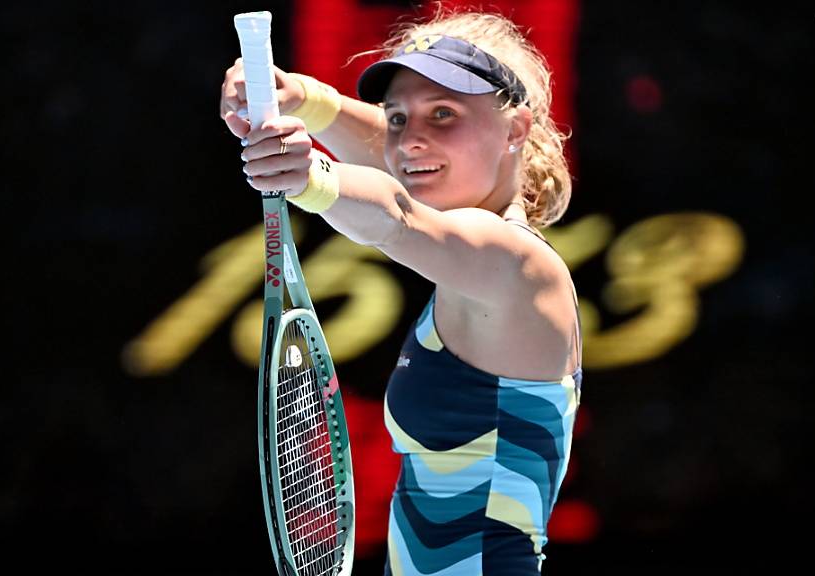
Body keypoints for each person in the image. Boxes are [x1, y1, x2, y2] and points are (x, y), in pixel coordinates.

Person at [221, 8, 582, 575]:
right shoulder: (476, 254)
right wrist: (304, 99)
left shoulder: (516, 264)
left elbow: (398, 216)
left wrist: (311, 176)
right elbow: (402, 153)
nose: (412, 140)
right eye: (397, 118)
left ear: (515, 129)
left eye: (444, 114)